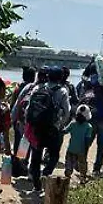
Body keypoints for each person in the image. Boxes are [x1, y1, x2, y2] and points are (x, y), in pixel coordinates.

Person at [26, 67, 72, 195]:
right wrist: (60, 125)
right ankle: (45, 174)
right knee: (54, 155)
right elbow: (67, 112)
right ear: (61, 77)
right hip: (53, 129)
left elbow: (29, 109)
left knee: (35, 157)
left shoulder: (37, 88)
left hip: (37, 128)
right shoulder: (62, 91)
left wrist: (30, 124)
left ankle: (36, 186)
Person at [9, 66, 37, 174]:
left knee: (17, 142)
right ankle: (23, 165)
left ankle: (16, 167)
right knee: (26, 143)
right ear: (34, 77)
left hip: (18, 120)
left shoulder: (18, 88)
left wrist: (12, 119)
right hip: (29, 121)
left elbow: (13, 105)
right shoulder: (34, 88)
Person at [64, 105, 95, 181]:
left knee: (69, 163)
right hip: (81, 150)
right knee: (82, 164)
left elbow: (64, 131)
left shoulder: (73, 124)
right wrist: (86, 150)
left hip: (71, 148)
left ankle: (67, 177)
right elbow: (87, 141)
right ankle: (82, 178)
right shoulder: (89, 127)